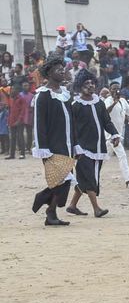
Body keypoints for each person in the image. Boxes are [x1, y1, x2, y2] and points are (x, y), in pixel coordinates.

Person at [67, 70, 119, 218]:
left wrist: (115, 134)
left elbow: (106, 121)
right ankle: (96, 208)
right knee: (90, 177)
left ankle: (72, 205)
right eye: (86, 84)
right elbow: (71, 128)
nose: (90, 86)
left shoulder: (99, 103)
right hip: (82, 149)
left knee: (85, 177)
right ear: (79, 87)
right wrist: (74, 146)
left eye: (92, 83)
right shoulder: (75, 105)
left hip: (98, 147)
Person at [31, 57, 74, 226]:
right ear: (49, 73)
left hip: (67, 143)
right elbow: (39, 124)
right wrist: (43, 148)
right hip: (51, 145)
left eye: (63, 69)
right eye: (58, 69)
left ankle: (50, 211)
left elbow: (72, 120)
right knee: (63, 179)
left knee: (63, 180)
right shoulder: (43, 95)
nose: (62, 72)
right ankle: (48, 208)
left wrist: (75, 143)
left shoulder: (65, 93)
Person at [101, 84, 129, 188]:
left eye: (117, 89)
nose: (116, 91)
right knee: (122, 156)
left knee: (103, 159)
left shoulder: (123, 101)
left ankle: (93, 178)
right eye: (113, 89)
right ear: (110, 90)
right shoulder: (108, 100)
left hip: (118, 134)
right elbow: (105, 113)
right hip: (111, 135)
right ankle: (128, 180)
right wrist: (114, 103)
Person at [5, 87, 27, 159]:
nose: (11, 92)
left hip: (19, 121)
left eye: (12, 90)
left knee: (20, 137)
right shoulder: (11, 99)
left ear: (16, 91)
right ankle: (12, 155)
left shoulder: (21, 99)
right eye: (11, 90)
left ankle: (22, 154)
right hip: (12, 121)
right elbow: (10, 111)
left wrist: (19, 120)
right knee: (13, 138)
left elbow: (23, 110)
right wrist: (8, 120)